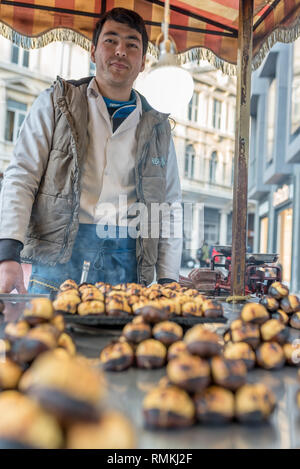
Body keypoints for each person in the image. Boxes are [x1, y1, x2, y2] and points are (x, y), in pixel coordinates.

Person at [0, 8, 182, 295]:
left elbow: (169, 206)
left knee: (123, 340)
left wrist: (169, 279)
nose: (121, 51)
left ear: (143, 62)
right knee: (46, 337)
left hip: (128, 259)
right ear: (93, 50)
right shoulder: (55, 103)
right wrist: (8, 252)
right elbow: (22, 175)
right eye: (111, 40)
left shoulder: (158, 127)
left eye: (132, 44)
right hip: (58, 256)